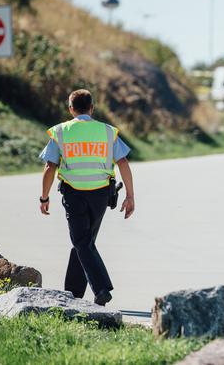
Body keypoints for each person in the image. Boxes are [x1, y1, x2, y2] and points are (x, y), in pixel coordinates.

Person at [38, 89, 135, 306]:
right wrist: (130, 195)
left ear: (71, 108)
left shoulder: (62, 131)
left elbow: (49, 166)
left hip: (73, 192)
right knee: (84, 242)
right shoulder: (108, 132)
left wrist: (44, 197)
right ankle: (73, 293)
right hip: (101, 194)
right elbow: (123, 163)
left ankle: (101, 288)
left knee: (81, 241)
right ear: (92, 108)